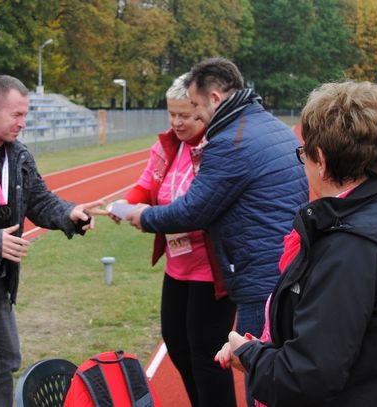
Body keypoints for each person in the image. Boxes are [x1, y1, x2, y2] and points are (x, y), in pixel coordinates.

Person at [215, 81, 377, 407]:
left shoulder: (349, 248)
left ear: (323, 160)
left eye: (305, 154)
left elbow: (307, 378)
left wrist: (248, 354)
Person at [127, 57, 308, 406]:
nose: (193, 115)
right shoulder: (266, 125)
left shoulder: (231, 140)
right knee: (272, 365)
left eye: (194, 106)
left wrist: (145, 217)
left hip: (258, 270)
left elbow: (195, 209)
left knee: (258, 372)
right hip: (282, 262)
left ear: (213, 97)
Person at [0, 75, 106, 407]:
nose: (23, 123)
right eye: (16, 115)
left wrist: (69, 213)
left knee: (5, 360)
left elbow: (40, 200)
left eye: (24, 115)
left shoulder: (19, 157)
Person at [109, 74, 237, 406]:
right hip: (177, 265)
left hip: (212, 269)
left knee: (208, 355)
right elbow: (146, 186)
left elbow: (200, 207)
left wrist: (146, 217)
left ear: (202, 109)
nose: (177, 122)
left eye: (185, 115)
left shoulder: (217, 148)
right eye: (172, 114)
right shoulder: (167, 146)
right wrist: (126, 204)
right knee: (177, 344)